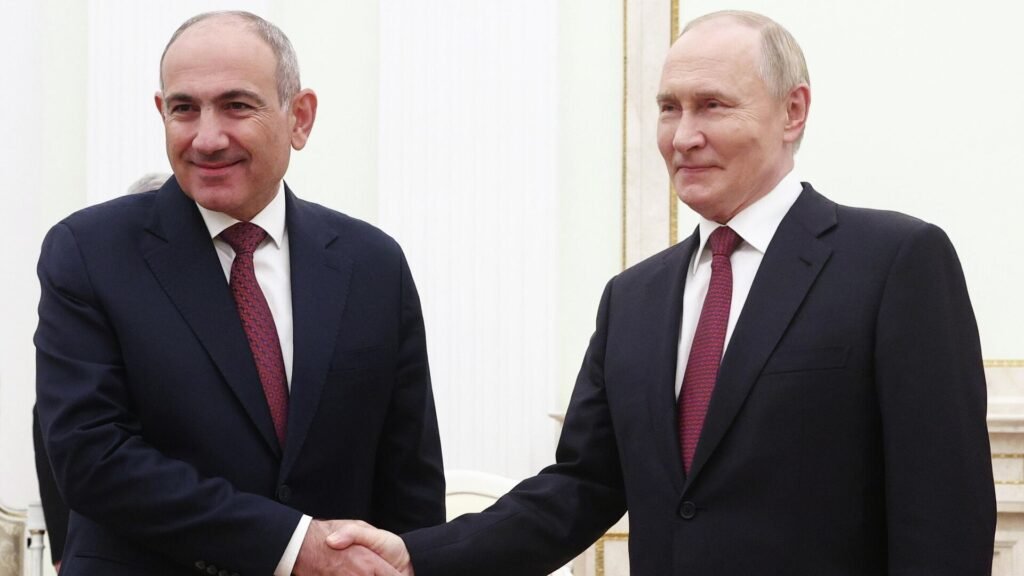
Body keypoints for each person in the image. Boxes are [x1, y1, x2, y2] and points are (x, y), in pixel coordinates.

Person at [327, 10, 995, 575]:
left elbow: (944, 512)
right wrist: (418, 555)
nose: (683, 136)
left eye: (713, 105)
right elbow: (580, 487)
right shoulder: (633, 299)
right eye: (668, 108)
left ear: (793, 111)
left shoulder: (895, 262)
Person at [34, 11, 444, 576]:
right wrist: (293, 546)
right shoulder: (89, 252)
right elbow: (92, 459)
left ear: (299, 117)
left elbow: (410, 483)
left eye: (236, 105)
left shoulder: (372, 265)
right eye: (184, 108)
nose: (207, 138)